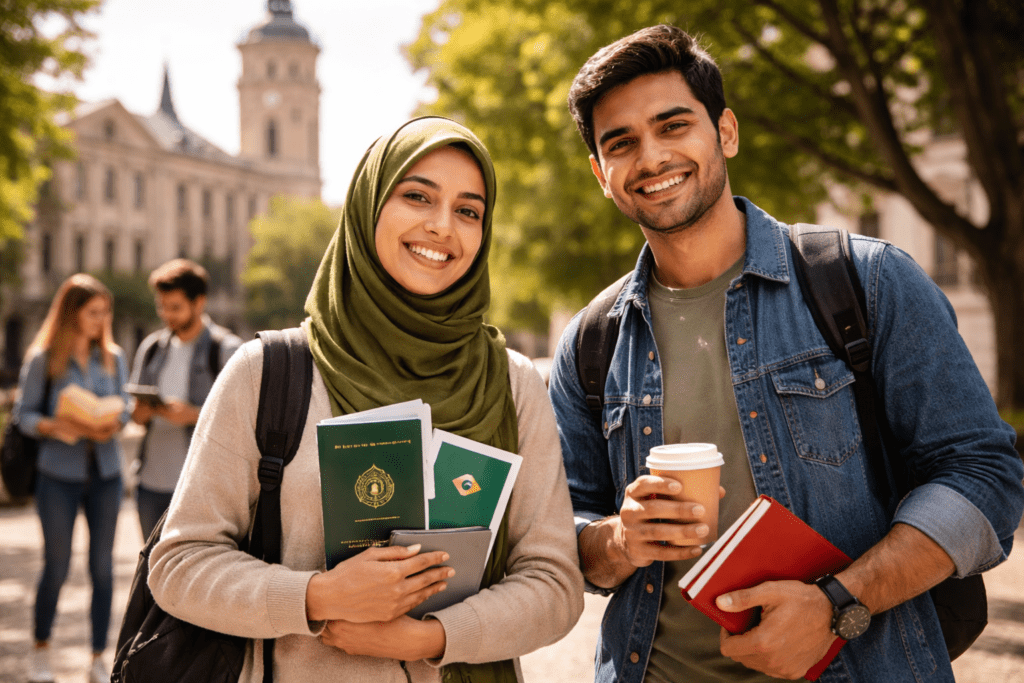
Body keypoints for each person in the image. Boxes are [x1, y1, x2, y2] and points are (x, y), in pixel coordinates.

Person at [547, 24, 1024, 683]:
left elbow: (983, 475)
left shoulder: (868, 281)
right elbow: (560, 533)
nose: (651, 156)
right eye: (621, 143)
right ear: (602, 175)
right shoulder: (591, 342)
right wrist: (620, 540)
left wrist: (839, 603)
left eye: (673, 124)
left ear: (727, 133)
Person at [147, 117, 584, 682]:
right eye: (417, 196)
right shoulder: (269, 374)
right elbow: (180, 565)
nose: (442, 226)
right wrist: (317, 596)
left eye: (469, 210)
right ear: (368, 205)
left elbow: (554, 583)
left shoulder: (512, 383)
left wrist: (433, 636)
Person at [13, 274, 131, 683]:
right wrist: (53, 425)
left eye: (105, 313)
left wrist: (115, 420)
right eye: (93, 313)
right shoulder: (44, 359)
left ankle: (99, 656)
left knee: (103, 569)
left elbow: (126, 406)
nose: (101, 320)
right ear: (71, 313)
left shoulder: (113, 357)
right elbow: (22, 416)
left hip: (106, 475)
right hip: (57, 476)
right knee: (57, 567)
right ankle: (41, 648)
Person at [128, 258, 242, 540]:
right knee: (152, 576)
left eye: (175, 307)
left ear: (199, 302)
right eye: (162, 306)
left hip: (201, 489)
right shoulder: (152, 348)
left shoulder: (227, 350)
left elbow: (244, 420)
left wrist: (192, 415)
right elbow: (136, 417)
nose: (167, 315)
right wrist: (140, 412)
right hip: (151, 483)